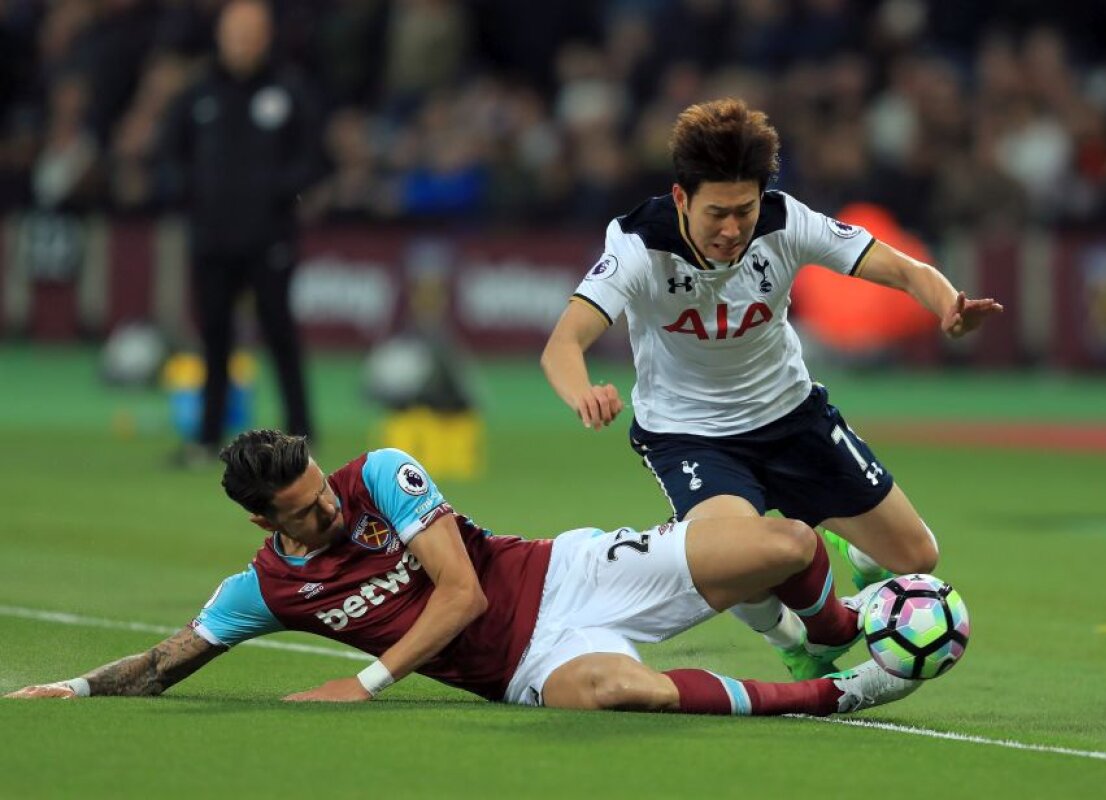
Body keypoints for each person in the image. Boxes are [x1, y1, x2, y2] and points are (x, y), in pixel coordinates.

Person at [541, 98, 1003, 680]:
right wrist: (582, 391)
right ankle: (794, 640)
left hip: (792, 418)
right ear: (682, 198)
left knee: (918, 559)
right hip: (690, 437)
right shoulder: (637, 245)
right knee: (733, 552)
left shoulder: (787, 221)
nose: (733, 229)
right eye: (717, 213)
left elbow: (905, 269)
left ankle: (852, 560)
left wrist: (949, 306)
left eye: (745, 209)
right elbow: (562, 345)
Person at [6, 429, 918, 718]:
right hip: (523, 670)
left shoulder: (383, 475)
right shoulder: (266, 591)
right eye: (304, 512)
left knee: (783, 543)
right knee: (614, 694)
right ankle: (838, 698)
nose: (327, 511)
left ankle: (835, 632)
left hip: (565, 577)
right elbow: (171, 660)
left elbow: (464, 592)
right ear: (262, 521)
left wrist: (363, 682)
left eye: (322, 491)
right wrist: (74, 688)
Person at [159, 0, 323, 463]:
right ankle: (208, 436)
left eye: (252, 33)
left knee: (279, 332)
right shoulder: (198, 96)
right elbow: (171, 154)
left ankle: (301, 432)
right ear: (221, 37)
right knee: (213, 336)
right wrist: (194, 192)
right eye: (236, 33)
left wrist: (275, 193)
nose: (243, 42)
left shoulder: (289, 92)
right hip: (211, 236)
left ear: (266, 37)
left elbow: (311, 158)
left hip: (269, 237)